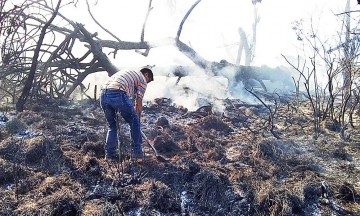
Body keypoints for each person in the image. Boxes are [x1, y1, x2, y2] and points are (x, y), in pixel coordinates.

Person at [100, 68, 154, 161]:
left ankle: (109, 155)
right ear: (146, 74)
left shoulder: (128, 73)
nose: (146, 84)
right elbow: (139, 102)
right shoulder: (142, 78)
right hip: (118, 93)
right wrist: (137, 120)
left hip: (103, 94)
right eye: (148, 81)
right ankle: (137, 154)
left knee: (112, 126)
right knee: (134, 121)